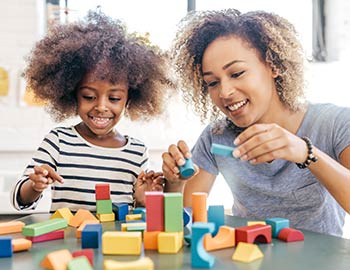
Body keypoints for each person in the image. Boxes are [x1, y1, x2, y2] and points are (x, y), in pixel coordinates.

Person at [162, 9, 350, 237]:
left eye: (237, 73)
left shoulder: (334, 123)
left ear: (273, 66)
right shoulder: (217, 136)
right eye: (212, 83)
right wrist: (174, 183)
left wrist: (306, 152)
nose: (225, 92)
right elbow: (184, 217)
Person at [11, 11, 175, 212]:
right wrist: (35, 185)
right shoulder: (59, 141)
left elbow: (133, 214)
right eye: (89, 96)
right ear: (73, 94)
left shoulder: (137, 152)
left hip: (116, 243)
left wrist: (142, 202)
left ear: (128, 100)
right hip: (69, 243)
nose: (101, 107)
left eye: (114, 98)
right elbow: (20, 199)